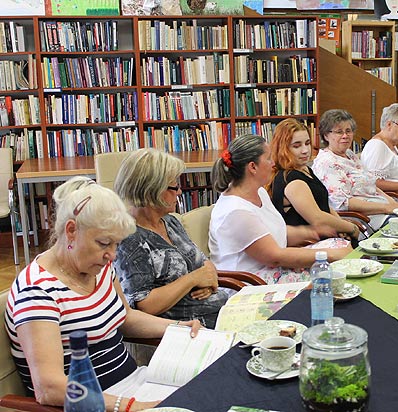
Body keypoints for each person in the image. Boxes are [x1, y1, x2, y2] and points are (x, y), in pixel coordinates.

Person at [4, 177, 201, 411]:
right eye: (104, 243)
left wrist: (178, 326)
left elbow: (125, 317)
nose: (112, 255)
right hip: (97, 403)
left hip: (133, 385)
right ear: (71, 231)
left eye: (116, 244)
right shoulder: (37, 291)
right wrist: (130, 406)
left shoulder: (99, 268)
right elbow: (50, 388)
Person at [209, 134, 351, 284]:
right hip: (253, 281)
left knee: (340, 245)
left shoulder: (259, 192)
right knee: (335, 270)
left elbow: (275, 233)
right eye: (269, 158)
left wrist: (311, 232)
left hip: (271, 269)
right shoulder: (236, 212)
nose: (273, 163)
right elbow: (274, 257)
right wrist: (331, 255)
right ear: (252, 167)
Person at [113, 148, 227, 329]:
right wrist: (193, 279)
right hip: (192, 329)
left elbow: (204, 263)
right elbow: (144, 305)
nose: (180, 192)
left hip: (219, 311)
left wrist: (209, 280)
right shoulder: (129, 237)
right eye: (174, 187)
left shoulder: (169, 221)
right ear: (152, 190)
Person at [311, 109, 398, 230]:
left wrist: (393, 203)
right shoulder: (326, 163)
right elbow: (343, 203)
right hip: (364, 218)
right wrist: (386, 208)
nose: (345, 136)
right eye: (339, 132)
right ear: (326, 135)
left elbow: (370, 184)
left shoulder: (350, 154)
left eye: (348, 131)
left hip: (381, 209)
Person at [267, 118, 361, 243]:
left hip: (326, 236)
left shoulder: (304, 168)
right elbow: (317, 218)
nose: (305, 150)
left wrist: (341, 226)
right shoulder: (292, 180)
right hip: (309, 244)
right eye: (297, 146)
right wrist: (352, 228)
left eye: (307, 143)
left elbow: (324, 206)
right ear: (283, 148)